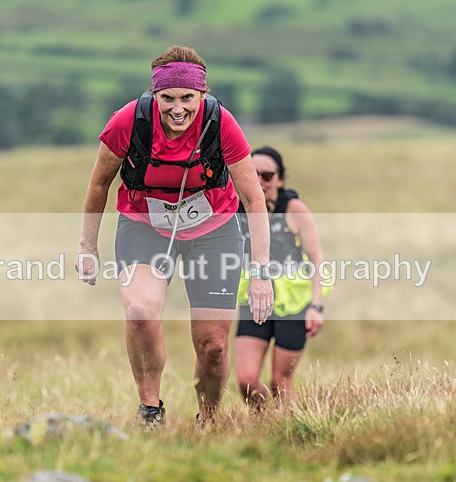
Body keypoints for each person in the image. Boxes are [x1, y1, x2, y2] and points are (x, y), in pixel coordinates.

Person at [75, 45, 274, 428]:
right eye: (168, 98)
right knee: (140, 310)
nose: (178, 108)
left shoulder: (221, 123)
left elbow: (253, 198)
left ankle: (209, 420)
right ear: (155, 95)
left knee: (214, 346)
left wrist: (261, 272)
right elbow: (99, 183)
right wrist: (87, 247)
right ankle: (151, 410)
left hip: (214, 229)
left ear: (203, 95)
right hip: (144, 224)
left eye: (187, 98)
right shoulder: (128, 122)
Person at [235, 146, 326, 408]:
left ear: (280, 179)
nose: (261, 181)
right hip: (255, 300)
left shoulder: (294, 209)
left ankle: (289, 429)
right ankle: (265, 423)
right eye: (254, 174)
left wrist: (316, 307)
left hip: (293, 306)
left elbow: (317, 260)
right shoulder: (239, 209)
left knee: (280, 383)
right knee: (246, 380)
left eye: (267, 175)